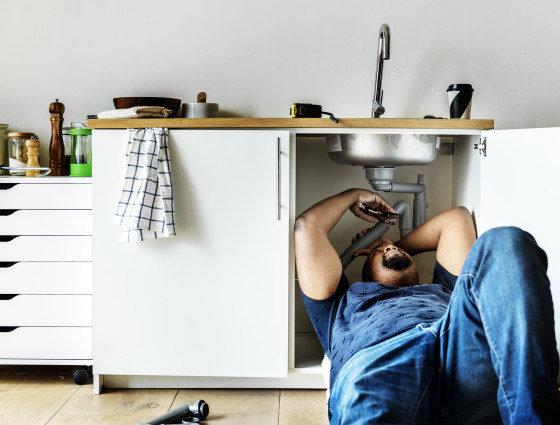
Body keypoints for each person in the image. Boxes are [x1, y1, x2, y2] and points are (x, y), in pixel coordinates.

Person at [294, 188, 560, 425]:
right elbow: (307, 227)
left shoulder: (443, 288)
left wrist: (388, 245)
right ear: (364, 273)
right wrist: (353, 195)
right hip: (381, 362)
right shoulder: (341, 302)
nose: (388, 251)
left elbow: (457, 219)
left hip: (457, 347)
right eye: (378, 254)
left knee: (505, 242)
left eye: (392, 250)